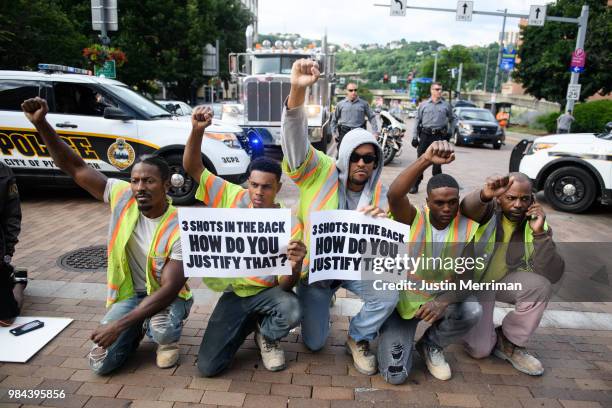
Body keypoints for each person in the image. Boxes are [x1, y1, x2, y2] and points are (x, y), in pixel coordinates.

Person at [21, 97, 193, 374]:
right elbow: (75, 167)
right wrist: (42, 124)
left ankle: (166, 341)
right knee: (100, 365)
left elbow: (169, 290)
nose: (139, 187)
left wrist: (118, 325)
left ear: (165, 186)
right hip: (129, 295)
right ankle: (136, 327)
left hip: (163, 296)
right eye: (135, 180)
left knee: (160, 328)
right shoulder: (122, 196)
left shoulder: (180, 227)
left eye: (148, 181)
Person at [281, 59, 398, 376]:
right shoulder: (319, 170)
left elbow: (384, 248)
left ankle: (358, 337)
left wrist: (381, 222)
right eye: (356, 156)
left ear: (376, 163)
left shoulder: (378, 192)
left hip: (353, 268)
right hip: (314, 272)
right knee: (315, 343)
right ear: (345, 156)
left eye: (369, 158)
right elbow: (294, 144)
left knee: (389, 292)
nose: (362, 163)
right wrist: (297, 91)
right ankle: (318, 305)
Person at [183, 106, 306, 376]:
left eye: (266, 187)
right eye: (254, 185)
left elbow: (286, 285)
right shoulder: (233, 197)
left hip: (269, 294)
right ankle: (244, 324)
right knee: (208, 368)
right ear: (247, 183)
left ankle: (266, 334)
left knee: (292, 309)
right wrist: (196, 130)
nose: (258, 192)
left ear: (278, 188)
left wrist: (295, 266)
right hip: (235, 293)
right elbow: (193, 167)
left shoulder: (291, 224)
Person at [379, 140, 483, 384]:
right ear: (427, 202)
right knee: (395, 376)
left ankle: (431, 345)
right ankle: (386, 331)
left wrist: (442, 302)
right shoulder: (413, 218)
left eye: (452, 202)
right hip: (401, 306)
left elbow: (466, 279)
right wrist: (425, 159)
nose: (447, 208)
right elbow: (394, 194)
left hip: (436, 303)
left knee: (472, 309)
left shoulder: (466, 228)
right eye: (439, 203)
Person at [461, 173, 564, 376]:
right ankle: (464, 324)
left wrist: (540, 234)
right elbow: (467, 208)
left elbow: (553, 273)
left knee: (540, 286)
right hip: (474, 285)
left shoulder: (534, 223)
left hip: (501, 283)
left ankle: (509, 341)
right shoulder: (487, 210)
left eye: (524, 199)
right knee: (480, 350)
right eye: (511, 198)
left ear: (532, 200)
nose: (518, 204)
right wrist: (483, 194)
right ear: (499, 197)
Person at [410, 82, 454, 194]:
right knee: (420, 162)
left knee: (437, 165)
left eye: (440, 89)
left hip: (439, 136)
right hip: (425, 135)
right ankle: (415, 185)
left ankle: (437, 188)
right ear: (431, 90)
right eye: (437, 89)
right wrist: (415, 137)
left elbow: (452, 119)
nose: (439, 91)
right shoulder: (424, 105)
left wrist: (450, 133)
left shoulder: (446, 105)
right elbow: (417, 121)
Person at [0, 162, 26, 327]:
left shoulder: (2, 172)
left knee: (5, 318)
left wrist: (7, 252)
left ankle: (19, 281)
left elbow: (12, 215)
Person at [330, 82, 379, 150]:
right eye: (351, 90)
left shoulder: (364, 104)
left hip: (359, 132)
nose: (353, 92)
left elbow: (372, 117)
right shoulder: (340, 104)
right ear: (347, 91)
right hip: (344, 132)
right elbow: (334, 120)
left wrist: (375, 132)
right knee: (341, 154)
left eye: (355, 90)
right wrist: (334, 134)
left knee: (359, 153)